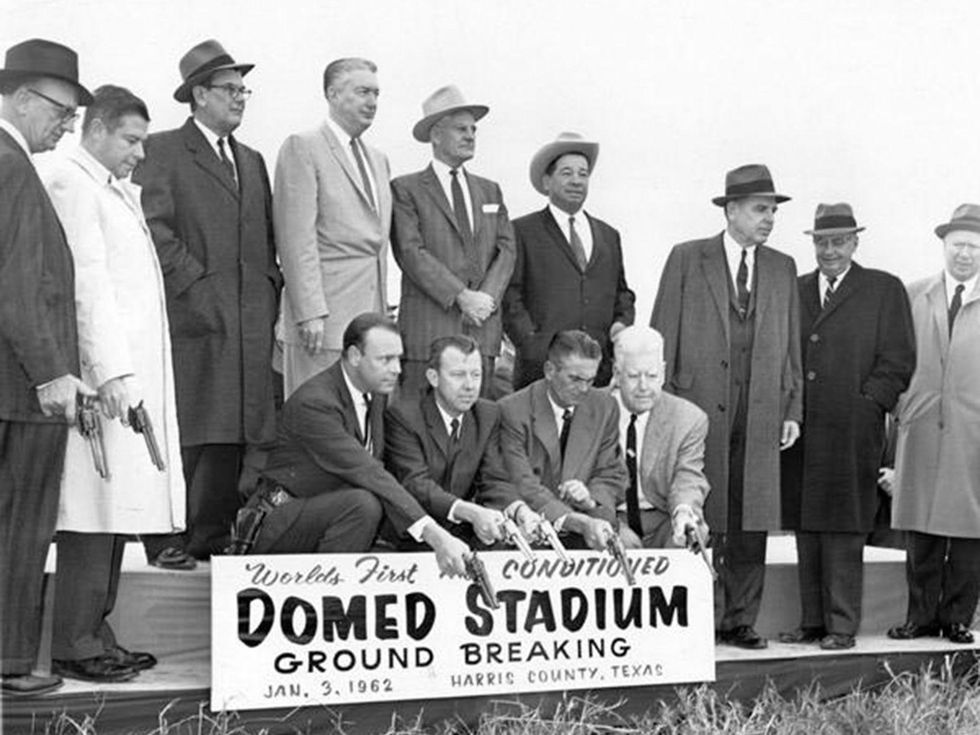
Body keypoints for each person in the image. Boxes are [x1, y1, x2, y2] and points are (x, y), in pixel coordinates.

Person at [41, 85, 186, 684]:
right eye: (130, 139)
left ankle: (96, 633)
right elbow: (87, 285)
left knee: (116, 507)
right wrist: (111, 372)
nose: (139, 153)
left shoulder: (110, 188)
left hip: (129, 380)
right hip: (104, 382)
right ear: (95, 129)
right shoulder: (72, 182)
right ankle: (74, 642)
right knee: (92, 508)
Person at [133, 39, 282, 566]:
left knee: (235, 432)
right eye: (229, 89)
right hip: (193, 320)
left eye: (244, 90)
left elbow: (265, 240)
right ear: (199, 95)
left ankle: (213, 536)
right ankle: (168, 535)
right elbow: (152, 228)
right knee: (191, 427)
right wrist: (196, 288)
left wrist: (269, 293)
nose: (240, 98)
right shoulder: (163, 150)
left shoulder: (252, 160)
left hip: (248, 322)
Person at [650, 164, 802, 649]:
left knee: (752, 516)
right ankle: (699, 618)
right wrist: (661, 407)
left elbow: (792, 345)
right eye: (760, 209)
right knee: (702, 508)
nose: (769, 219)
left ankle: (740, 621)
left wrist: (792, 408)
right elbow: (662, 334)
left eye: (773, 211)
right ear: (731, 210)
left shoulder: (782, 267)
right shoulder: (687, 258)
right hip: (697, 409)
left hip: (760, 410)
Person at [0, 38, 94, 698]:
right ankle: (8, 663)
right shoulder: (11, 167)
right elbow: (19, 288)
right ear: (23, 99)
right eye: (63, 112)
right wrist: (51, 373)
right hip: (20, 391)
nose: (67, 126)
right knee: (20, 529)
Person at [779, 203, 915, 651]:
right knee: (806, 526)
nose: (830, 251)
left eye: (839, 241)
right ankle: (812, 623)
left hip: (853, 431)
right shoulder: (796, 289)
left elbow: (899, 358)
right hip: (802, 430)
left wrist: (868, 403)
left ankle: (841, 626)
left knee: (844, 527)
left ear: (855, 242)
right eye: (822, 242)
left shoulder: (883, 289)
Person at [244, 313, 474, 577]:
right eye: (385, 359)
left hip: (329, 515)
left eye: (398, 359)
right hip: (279, 522)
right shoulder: (315, 403)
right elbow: (368, 472)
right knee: (363, 504)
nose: (397, 369)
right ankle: (327, 595)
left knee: (392, 518)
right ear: (354, 356)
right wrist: (435, 535)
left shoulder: (374, 394)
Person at [888, 203, 980, 645]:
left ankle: (958, 618)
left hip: (973, 432)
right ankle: (919, 617)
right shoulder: (914, 295)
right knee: (920, 529)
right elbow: (894, 357)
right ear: (944, 245)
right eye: (958, 244)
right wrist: (905, 406)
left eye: (974, 247)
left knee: (970, 530)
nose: (965, 254)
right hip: (922, 426)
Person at [274, 58, 391, 397]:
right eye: (363, 92)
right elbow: (296, 238)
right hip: (323, 324)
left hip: (369, 323)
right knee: (316, 415)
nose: (372, 102)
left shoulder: (378, 160)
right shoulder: (303, 147)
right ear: (333, 94)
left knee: (360, 418)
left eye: (376, 93)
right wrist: (309, 312)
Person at [391, 85, 515, 398]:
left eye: (473, 129)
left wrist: (485, 299)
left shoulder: (490, 190)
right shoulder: (406, 189)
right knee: (420, 420)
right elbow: (410, 252)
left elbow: (507, 250)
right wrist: (461, 296)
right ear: (436, 134)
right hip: (429, 333)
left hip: (482, 334)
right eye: (461, 129)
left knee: (478, 421)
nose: (470, 136)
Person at [504, 132, 635, 389]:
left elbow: (622, 294)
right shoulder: (521, 231)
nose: (576, 180)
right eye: (566, 173)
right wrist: (535, 348)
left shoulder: (609, 235)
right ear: (546, 181)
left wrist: (621, 325)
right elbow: (510, 298)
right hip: (542, 375)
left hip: (597, 377)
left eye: (583, 174)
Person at [384, 334, 542, 547]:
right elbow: (416, 484)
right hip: (413, 533)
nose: (470, 385)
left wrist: (518, 509)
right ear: (433, 377)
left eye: (476, 375)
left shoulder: (487, 415)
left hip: (463, 530)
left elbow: (493, 479)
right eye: (458, 375)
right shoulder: (404, 416)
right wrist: (469, 511)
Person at [498, 330, 627, 550]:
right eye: (575, 379)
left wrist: (590, 499)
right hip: (531, 528)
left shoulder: (605, 407)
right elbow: (522, 483)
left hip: (589, 521)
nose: (584, 389)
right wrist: (576, 521)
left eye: (590, 380)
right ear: (549, 370)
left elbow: (612, 473)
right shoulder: (512, 410)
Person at [609, 326, 709, 549]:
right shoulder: (592, 411)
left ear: (663, 373)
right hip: (611, 517)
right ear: (616, 373)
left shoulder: (689, 418)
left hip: (663, 517)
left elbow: (688, 476)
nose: (644, 386)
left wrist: (683, 512)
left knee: (692, 535)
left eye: (652, 375)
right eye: (633, 376)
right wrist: (612, 525)